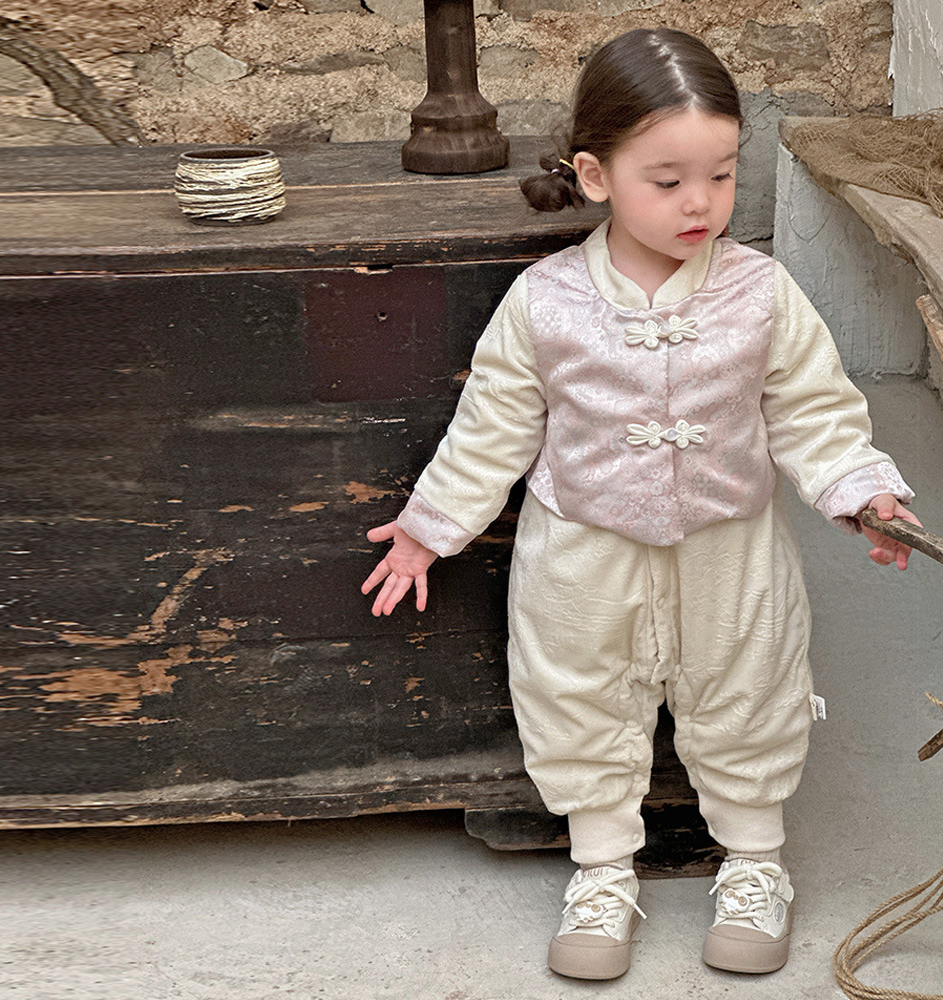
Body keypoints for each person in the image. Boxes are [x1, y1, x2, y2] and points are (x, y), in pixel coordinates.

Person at [361, 26, 920, 981]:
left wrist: (862, 490)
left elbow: (813, 410)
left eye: (722, 176)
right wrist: (426, 531)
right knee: (577, 693)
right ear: (595, 175)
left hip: (731, 545)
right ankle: (600, 870)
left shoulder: (762, 293)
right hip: (582, 549)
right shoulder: (545, 302)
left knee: (749, 686)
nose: (700, 202)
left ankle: (755, 860)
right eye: (667, 180)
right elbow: (491, 427)